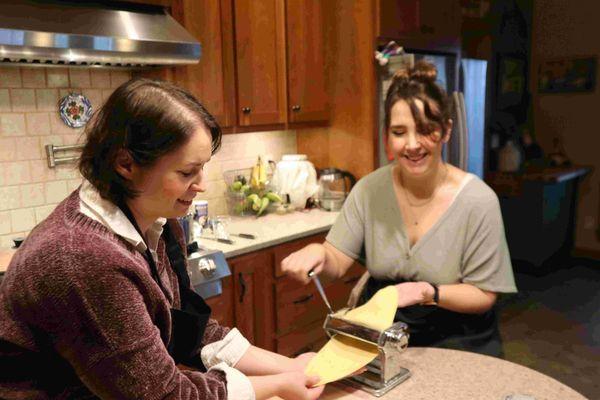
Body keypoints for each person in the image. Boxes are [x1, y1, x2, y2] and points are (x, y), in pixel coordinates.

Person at [0, 78, 324, 400]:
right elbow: (162, 396)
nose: (201, 184)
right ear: (125, 163)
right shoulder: (86, 260)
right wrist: (279, 385)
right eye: (187, 173)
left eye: (203, 168)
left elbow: (190, 332)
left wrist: (291, 369)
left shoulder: (159, 219)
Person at [282, 61, 517, 357]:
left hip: (462, 341)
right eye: (399, 132)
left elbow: (484, 295)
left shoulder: (478, 201)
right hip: (387, 339)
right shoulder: (369, 191)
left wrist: (426, 292)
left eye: (425, 130)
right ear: (386, 137)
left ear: (445, 131)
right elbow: (336, 260)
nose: (412, 144)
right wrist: (319, 253)